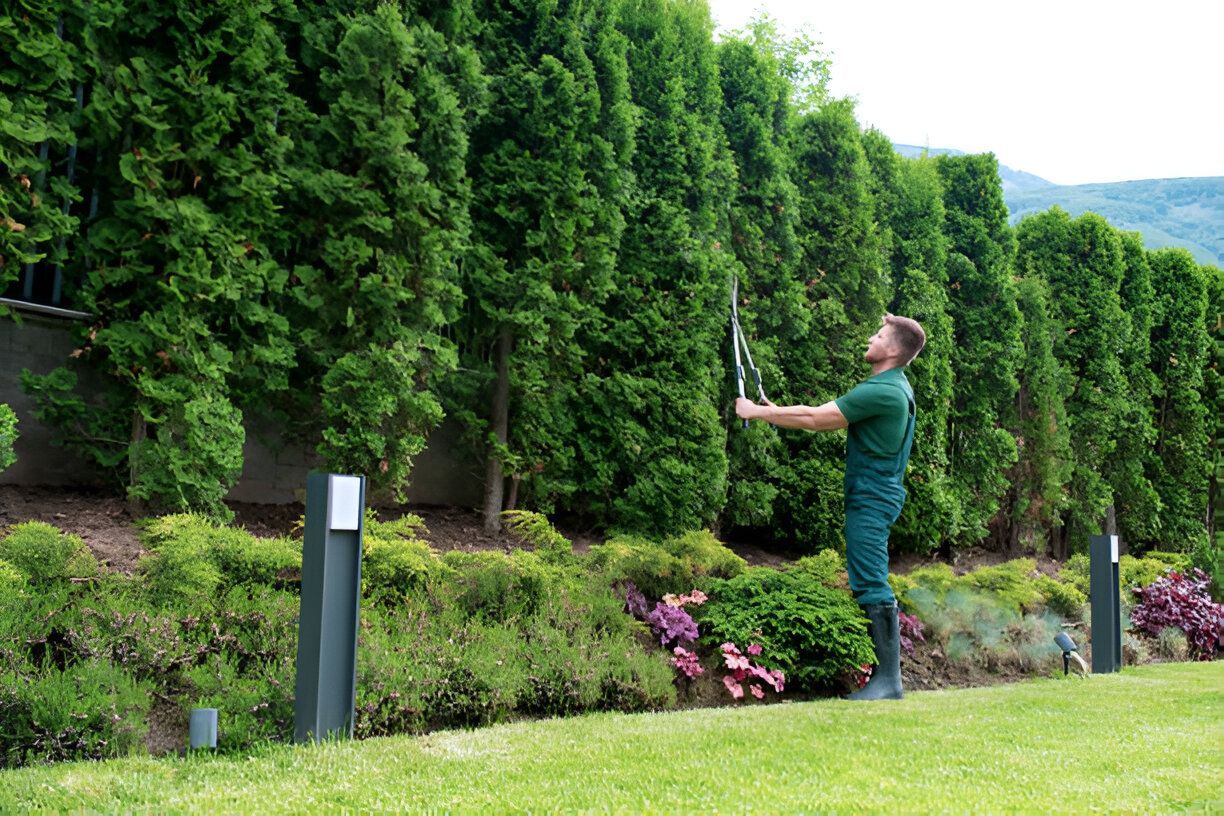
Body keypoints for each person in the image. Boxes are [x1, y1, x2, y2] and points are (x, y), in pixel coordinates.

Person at [735, 314, 926, 700]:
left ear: (891, 350)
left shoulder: (885, 391)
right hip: (875, 493)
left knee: (871, 580)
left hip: (871, 497)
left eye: (878, 334)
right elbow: (815, 411)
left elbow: (817, 418)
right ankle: (885, 679)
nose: (870, 338)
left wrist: (756, 412)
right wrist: (777, 409)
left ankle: (889, 680)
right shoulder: (892, 386)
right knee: (867, 577)